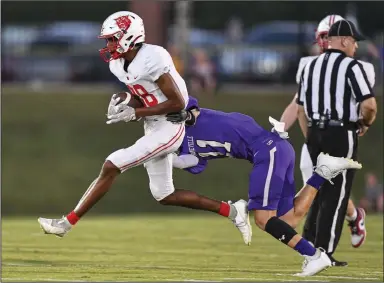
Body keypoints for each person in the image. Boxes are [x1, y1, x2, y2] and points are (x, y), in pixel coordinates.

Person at [37, 11, 252, 244]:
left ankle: (66, 223)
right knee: (164, 194)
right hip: (153, 124)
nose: (108, 45)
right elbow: (143, 93)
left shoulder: (153, 57)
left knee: (112, 164)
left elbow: (177, 102)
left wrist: (135, 112)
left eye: (112, 39)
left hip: (171, 125)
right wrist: (125, 102)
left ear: (129, 36)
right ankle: (233, 211)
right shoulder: (119, 64)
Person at [166, 97, 362, 276]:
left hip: (267, 150)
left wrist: (186, 115)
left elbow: (189, 107)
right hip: (277, 149)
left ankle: (314, 256)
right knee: (288, 221)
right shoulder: (185, 149)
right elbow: (185, 161)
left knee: (262, 218)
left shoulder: (186, 118)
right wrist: (159, 154)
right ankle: (322, 173)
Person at [279, 15, 375, 264]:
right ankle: (323, 252)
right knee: (336, 194)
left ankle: (311, 248)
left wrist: (309, 136)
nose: (356, 46)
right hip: (341, 132)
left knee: (317, 191)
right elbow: (369, 105)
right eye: (354, 42)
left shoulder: (308, 66)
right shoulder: (355, 66)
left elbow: (300, 107)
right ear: (344, 40)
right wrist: (364, 123)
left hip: (315, 133)